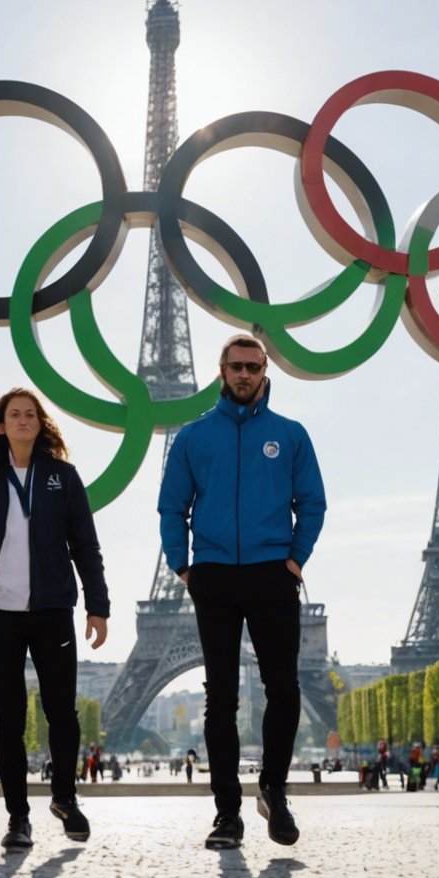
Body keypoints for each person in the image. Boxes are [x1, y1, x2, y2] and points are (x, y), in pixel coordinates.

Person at [159, 334, 325, 850]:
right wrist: (183, 566)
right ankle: (226, 813)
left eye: (253, 366)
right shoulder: (192, 437)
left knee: (285, 691)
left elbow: (313, 503)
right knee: (220, 701)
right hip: (214, 577)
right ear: (221, 371)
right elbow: (172, 506)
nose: (244, 373)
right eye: (236, 366)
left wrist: (294, 561)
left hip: (273, 573)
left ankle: (273, 789)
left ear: (265, 369)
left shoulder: (290, 435)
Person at [0, 388, 108, 850]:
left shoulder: (63, 477)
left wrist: (98, 605)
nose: (22, 420)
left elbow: (85, 545)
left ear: (41, 423)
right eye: (13, 414)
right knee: (9, 720)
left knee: (63, 715)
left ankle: (65, 799)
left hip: (53, 609)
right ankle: (18, 818)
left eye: (30, 414)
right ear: (1, 426)